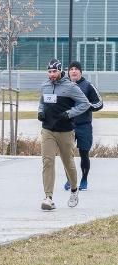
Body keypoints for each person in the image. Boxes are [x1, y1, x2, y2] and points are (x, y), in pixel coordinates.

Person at [37, 58, 90, 211]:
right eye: (49, 71)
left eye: (54, 71)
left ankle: (74, 190)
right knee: (47, 161)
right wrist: (40, 112)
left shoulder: (71, 87)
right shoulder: (45, 86)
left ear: (60, 71)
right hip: (48, 130)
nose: (52, 74)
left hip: (65, 131)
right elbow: (42, 102)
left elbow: (85, 104)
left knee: (69, 163)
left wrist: (70, 113)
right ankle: (48, 198)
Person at [64, 61, 103, 192]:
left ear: (81, 72)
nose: (74, 71)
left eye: (76, 69)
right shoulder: (64, 85)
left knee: (84, 153)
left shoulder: (88, 86)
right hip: (68, 126)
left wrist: (87, 106)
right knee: (66, 155)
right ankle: (70, 179)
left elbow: (99, 103)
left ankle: (84, 179)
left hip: (84, 125)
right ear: (68, 72)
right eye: (71, 69)